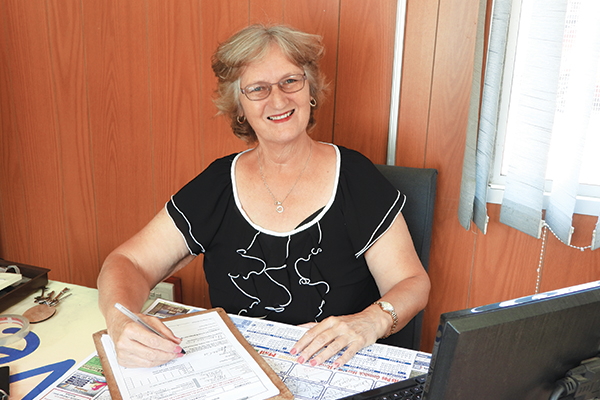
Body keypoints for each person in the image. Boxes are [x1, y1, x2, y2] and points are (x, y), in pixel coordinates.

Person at [97, 24, 430, 369]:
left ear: (310, 90)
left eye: (290, 81)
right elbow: (128, 262)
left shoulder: (354, 176)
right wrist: (121, 320)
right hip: (241, 375)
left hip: (335, 371)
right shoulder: (217, 185)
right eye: (258, 88)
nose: (279, 99)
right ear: (239, 106)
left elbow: (412, 282)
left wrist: (371, 321)